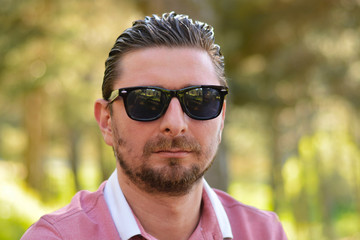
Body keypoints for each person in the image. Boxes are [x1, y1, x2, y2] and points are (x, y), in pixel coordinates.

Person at [21, 12, 288, 240]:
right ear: (106, 121)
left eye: (200, 99)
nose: (175, 124)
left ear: (221, 118)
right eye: (146, 100)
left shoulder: (264, 232)